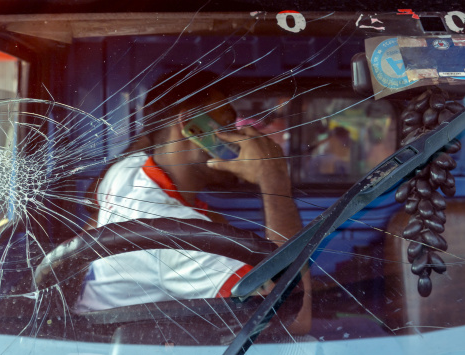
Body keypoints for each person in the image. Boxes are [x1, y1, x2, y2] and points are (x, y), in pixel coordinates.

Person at [75, 69, 311, 333]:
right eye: (226, 125)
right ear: (190, 126)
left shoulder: (129, 169)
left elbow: (91, 200)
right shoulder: (177, 234)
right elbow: (295, 319)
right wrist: (273, 176)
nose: (239, 139)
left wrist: (164, 127)